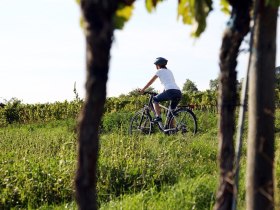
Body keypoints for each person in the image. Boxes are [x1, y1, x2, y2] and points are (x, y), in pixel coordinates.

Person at [140, 57, 182, 122]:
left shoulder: (159, 71)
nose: (156, 67)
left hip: (170, 91)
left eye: (156, 65)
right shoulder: (169, 71)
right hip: (178, 92)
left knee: (154, 99)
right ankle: (172, 130)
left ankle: (158, 117)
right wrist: (163, 93)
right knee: (171, 114)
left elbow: (150, 82)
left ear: (158, 65)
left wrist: (143, 89)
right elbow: (169, 83)